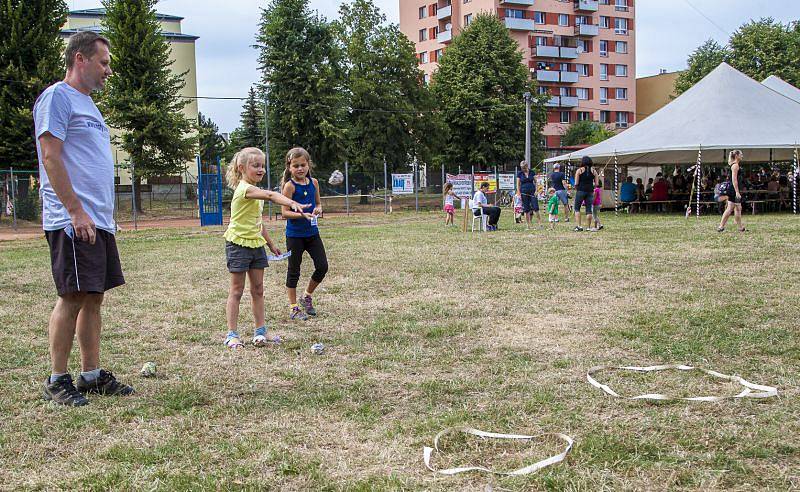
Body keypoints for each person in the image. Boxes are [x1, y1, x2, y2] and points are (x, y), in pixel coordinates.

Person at [35, 32, 133, 405]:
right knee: (72, 295)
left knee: (94, 297)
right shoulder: (57, 97)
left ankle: (91, 374)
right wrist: (75, 210)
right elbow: (51, 157)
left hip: (97, 220)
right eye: (104, 62)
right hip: (72, 218)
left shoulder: (90, 106)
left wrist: (99, 215)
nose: (108, 70)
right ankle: (57, 378)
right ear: (80, 59)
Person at [222, 147, 311, 349]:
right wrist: (292, 202)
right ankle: (232, 335)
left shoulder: (255, 189)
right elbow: (271, 195)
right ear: (241, 167)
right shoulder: (245, 188)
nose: (261, 169)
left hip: (255, 244)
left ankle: (261, 331)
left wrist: (270, 244)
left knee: (258, 290)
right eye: (256, 166)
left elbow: (257, 222)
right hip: (238, 244)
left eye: (262, 165)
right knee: (237, 291)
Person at [281, 147, 329, 320]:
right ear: (289, 167)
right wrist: (302, 214)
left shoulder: (314, 183)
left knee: (322, 266)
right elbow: (285, 212)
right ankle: (294, 307)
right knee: (294, 270)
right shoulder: (289, 187)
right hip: (295, 235)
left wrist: (317, 209)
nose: (300, 169)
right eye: (296, 166)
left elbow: (318, 204)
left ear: (308, 165)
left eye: (303, 165)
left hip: (312, 233)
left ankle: (307, 296)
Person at [718, 150, 746, 232]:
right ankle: (721, 226)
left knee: (736, 208)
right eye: (741, 154)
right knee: (733, 208)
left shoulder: (734, 165)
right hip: (733, 189)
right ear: (736, 156)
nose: (742, 156)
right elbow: (734, 180)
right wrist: (737, 191)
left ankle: (738, 227)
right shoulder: (735, 166)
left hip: (733, 189)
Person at [572, 156, 598, 231]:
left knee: (577, 208)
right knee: (589, 209)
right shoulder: (594, 171)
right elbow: (596, 184)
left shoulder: (579, 170)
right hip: (590, 191)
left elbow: (576, 183)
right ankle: (588, 227)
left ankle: (579, 226)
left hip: (580, 191)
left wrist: (576, 188)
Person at [516, 160, 542, 229]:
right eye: (522, 168)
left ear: (527, 166)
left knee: (536, 207)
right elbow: (518, 184)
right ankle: (528, 225)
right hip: (524, 192)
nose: (523, 169)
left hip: (532, 192)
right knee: (526, 209)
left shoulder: (532, 172)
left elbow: (536, 182)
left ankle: (540, 224)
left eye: (524, 168)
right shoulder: (520, 173)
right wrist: (518, 193)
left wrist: (536, 191)